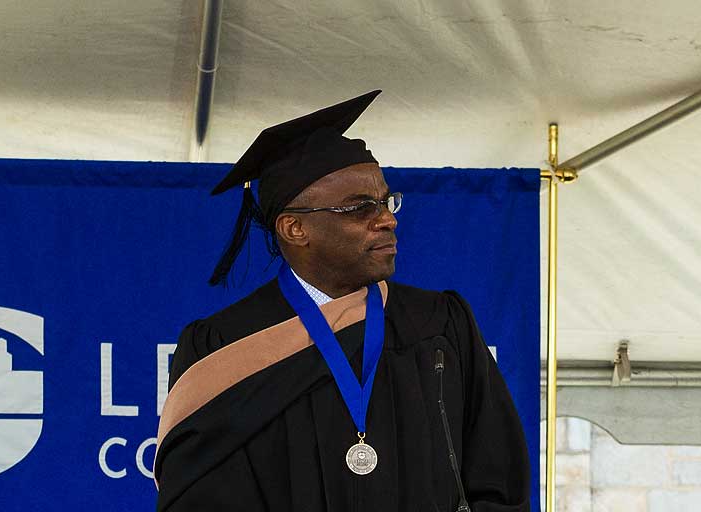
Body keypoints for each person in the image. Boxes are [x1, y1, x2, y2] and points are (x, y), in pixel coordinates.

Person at [154, 90, 530, 511]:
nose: (387, 219)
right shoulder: (223, 347)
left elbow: (498, 479)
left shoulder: (439, 324)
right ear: (295, 229)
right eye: (359, 208)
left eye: (386, 202)